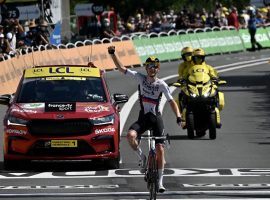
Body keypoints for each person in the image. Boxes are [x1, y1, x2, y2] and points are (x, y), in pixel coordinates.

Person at [108, 46, 182, 193]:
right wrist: (113, 53)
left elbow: (171, 102)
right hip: (143, 118)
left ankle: (160, 182)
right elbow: (121, 68)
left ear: (158, 69)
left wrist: (179, 117)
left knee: (160, 149)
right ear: (146, 68)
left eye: (155, 67)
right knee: (130, 136)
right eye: (149, 66)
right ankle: (142, 157)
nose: (152, 69)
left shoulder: (162, 85)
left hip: (156, 119)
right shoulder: (140, 78)